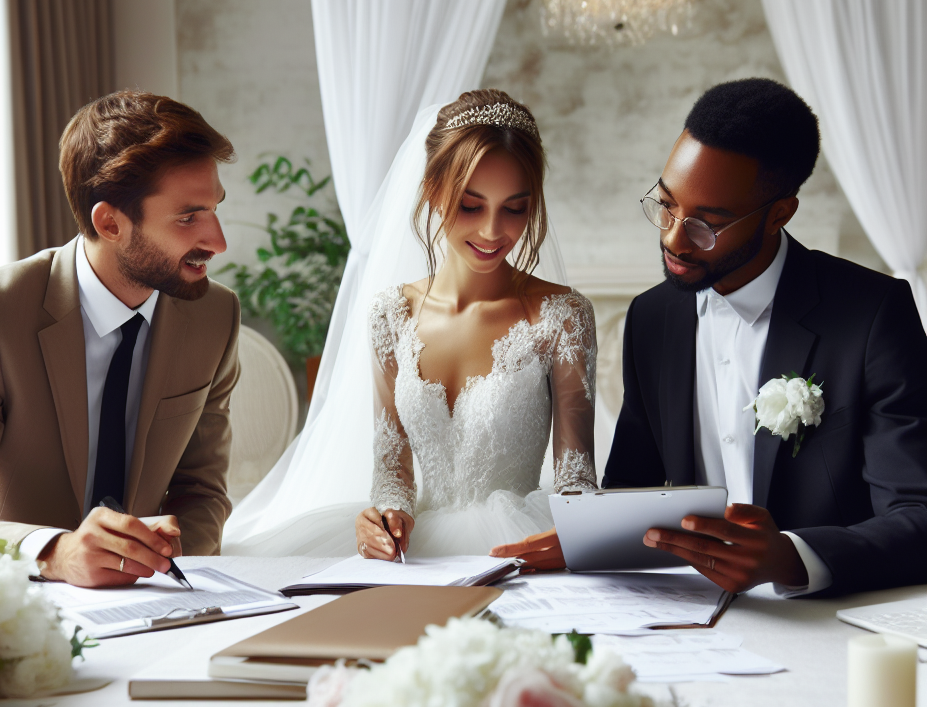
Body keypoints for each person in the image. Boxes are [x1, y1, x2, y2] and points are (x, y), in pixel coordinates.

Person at [495, 79, 927, 597]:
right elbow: (635, 491)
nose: (674, 237)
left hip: (828, 620)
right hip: (681, 613)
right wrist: (589, 537)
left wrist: (794, 558)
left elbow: (917, 516)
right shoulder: (651, 318)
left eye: (708, 224)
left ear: (778, 215)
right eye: (667, 205)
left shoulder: (872, 315)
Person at [220, 91, 597, 557]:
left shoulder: (562, 316)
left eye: (514, 208)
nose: (492, 231)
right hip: (419, 551)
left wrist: (571, 542)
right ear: (433, 191)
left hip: (520, 547)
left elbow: (576, 477)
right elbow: (391, 471)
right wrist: (382, 519)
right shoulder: (390, 315)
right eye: (471, 205)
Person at [0, 91, 241, 587]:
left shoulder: (215, 314)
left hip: (155, 601)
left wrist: (162, 565)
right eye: (188, 217)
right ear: (110, 223)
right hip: (14, 599)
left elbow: (202, 490)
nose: (218, 241)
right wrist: (52, 553)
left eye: (214, 209)